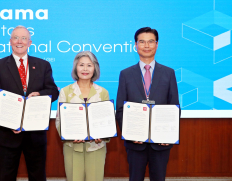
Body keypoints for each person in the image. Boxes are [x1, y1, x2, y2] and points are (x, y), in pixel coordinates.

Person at [0, 25, 59, 181]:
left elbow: (53, 91)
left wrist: (40, 94)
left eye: (24, 38)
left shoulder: (43, 65)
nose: (19, 41)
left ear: (30, 42)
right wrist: (10, 122)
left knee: (38, 176)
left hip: (35, 134)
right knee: (7, 177)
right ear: (10, 41)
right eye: (16, 37)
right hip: (8, 134)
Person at [115, 27, 180, 181]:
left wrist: (169, 135)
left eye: (151, 41)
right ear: (135, 45)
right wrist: (129, 134)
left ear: (157, 45)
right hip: (135, 142)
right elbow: (120, 109)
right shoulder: (125, 74)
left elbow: (174, 106)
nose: (146, 45)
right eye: (142, 41)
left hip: (161, 142)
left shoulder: (169, 73)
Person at [55, 51, 109, 181]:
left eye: (89, 65)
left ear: (95, 68)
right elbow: (59, 120)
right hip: (72, 147)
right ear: (75, 67)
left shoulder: (102, 92)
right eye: (81, 65)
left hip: (97, 147)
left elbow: (107, 121)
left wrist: (103, 135)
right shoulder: (65, 91)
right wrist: (69, 135)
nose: (85, 69)